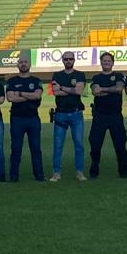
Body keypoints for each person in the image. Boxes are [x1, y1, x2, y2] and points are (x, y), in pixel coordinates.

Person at [88, 51, 127, 179]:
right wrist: (110, 90)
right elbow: (95, 91)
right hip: (100, 115)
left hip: (115, 115)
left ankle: (123, 171)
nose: (106, 62)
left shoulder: (119, 75)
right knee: (95, 144)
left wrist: (103, 89)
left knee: (120, 144)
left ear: (113, 63)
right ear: (101, 62)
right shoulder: (96, 77)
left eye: (109, 61)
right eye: (104, 61)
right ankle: (94, 169)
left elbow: (119, 89)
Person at [6, 55, 45, 182]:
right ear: (18, 65)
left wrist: (21, 93)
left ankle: (39, 175)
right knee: (16, 148)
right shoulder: (12, 81)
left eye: (25, 62)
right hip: (17, 119)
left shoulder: (36, 80)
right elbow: (11, 98)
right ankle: (14, 176)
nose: (23, 64)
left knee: (35, 148)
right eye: (21, 62)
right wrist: (30, 96)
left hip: (33, 118)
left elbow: (37, 96)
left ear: (29, 65)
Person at [50, 52, 87, 182]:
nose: (68, 61)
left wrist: (62, 88)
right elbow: (55, 92)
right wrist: (69, 90)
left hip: (76, 114)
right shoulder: (57, 75)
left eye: (70, 59)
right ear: (62, 60)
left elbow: (78, 91)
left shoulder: (80, 74)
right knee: (58, 145)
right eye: (66, 59)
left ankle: (79, 172)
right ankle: (56, 172)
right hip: (60, 114)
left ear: (74, 60)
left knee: (79, 144)